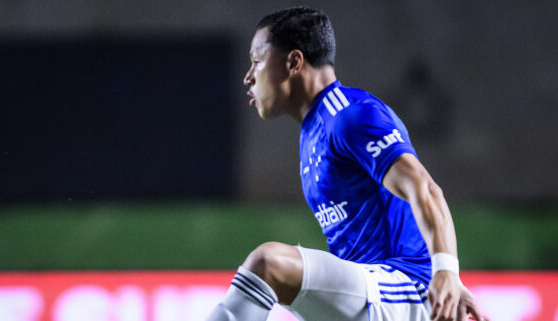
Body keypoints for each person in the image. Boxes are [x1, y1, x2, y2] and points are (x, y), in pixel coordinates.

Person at [208, 6, 486, 321]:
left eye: (257, 62)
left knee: (268, 264)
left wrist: (447, 272)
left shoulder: (350, 116)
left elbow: (424, 188)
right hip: (368, 296)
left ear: (294, 62)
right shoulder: (313, 132)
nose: (248, 77)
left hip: (405, 289)